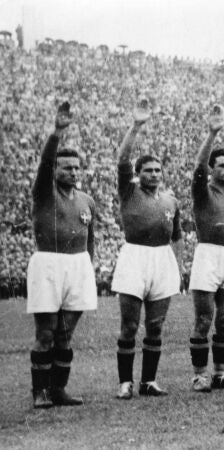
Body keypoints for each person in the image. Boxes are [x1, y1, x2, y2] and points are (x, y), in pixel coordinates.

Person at [112, 98, 183, 399]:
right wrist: (136, 126)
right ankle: (125, 382)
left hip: (162, 258)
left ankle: (149, 381)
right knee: (129, 324)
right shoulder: (129, 191)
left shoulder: (171, 201)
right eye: (149, 170)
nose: (154, 174)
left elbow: (177, 236)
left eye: (157, 170)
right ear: (138, 174)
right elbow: (122, 160)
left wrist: (178, 269)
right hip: (135, 256)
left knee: (156, 324)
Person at [27, 102, 96, 408]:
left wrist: (88, 268)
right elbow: (43, 164)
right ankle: (39, 391)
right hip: (49, 263)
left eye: (76, 167)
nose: (72, 172)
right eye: (66, 167)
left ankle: (59, 389)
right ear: (54, 169)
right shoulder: (44, 192)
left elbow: (90, 238)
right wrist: (57, 133)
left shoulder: (86, 200)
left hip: (78, 265)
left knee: (66, 333)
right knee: (46, 332)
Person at [188, 106, 224, 392]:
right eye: (223, 165)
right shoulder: (202, 190)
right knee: (203, 319)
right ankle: (200, 375)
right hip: (208, 254)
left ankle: (221, 373)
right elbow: (198, 169)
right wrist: (212, 133)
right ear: (213, 168)